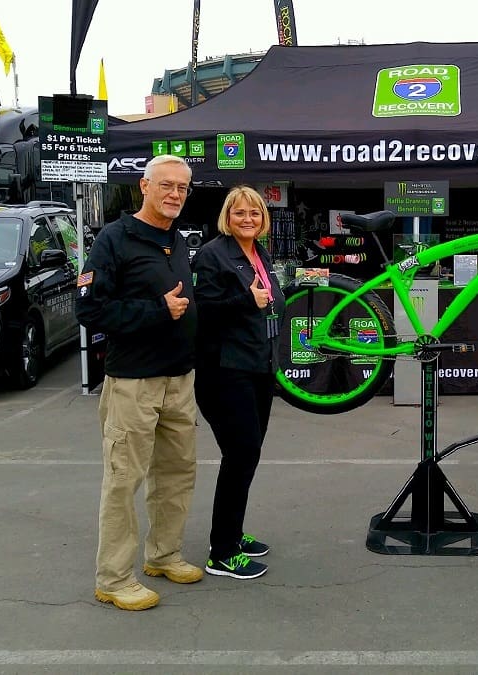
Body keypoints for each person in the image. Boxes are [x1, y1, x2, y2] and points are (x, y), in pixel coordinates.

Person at [75, 154, 201, 611]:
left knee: (176, 473)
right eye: (166, 185)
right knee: (124, 480)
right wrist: (155, 311)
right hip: (133, 383)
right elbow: (88, 312)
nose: (174, 194)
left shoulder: (178, 240)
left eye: (182, 188)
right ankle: (113, 577)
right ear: (144, 187)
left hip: (179, 380)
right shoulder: (114, 239)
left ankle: (163, 555)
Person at [192, 186, 287, 580]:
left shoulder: (258, 253)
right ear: (226, 218)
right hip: (224, 372)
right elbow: (201, 313)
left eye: (254, 213)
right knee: (241, 455)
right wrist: (247, 302)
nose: (247, 219)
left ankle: (231, 533)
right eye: (239, 213)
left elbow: (269, 302)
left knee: (247, 455)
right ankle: (223, 552)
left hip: (258, 368)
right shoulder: (213, 255)